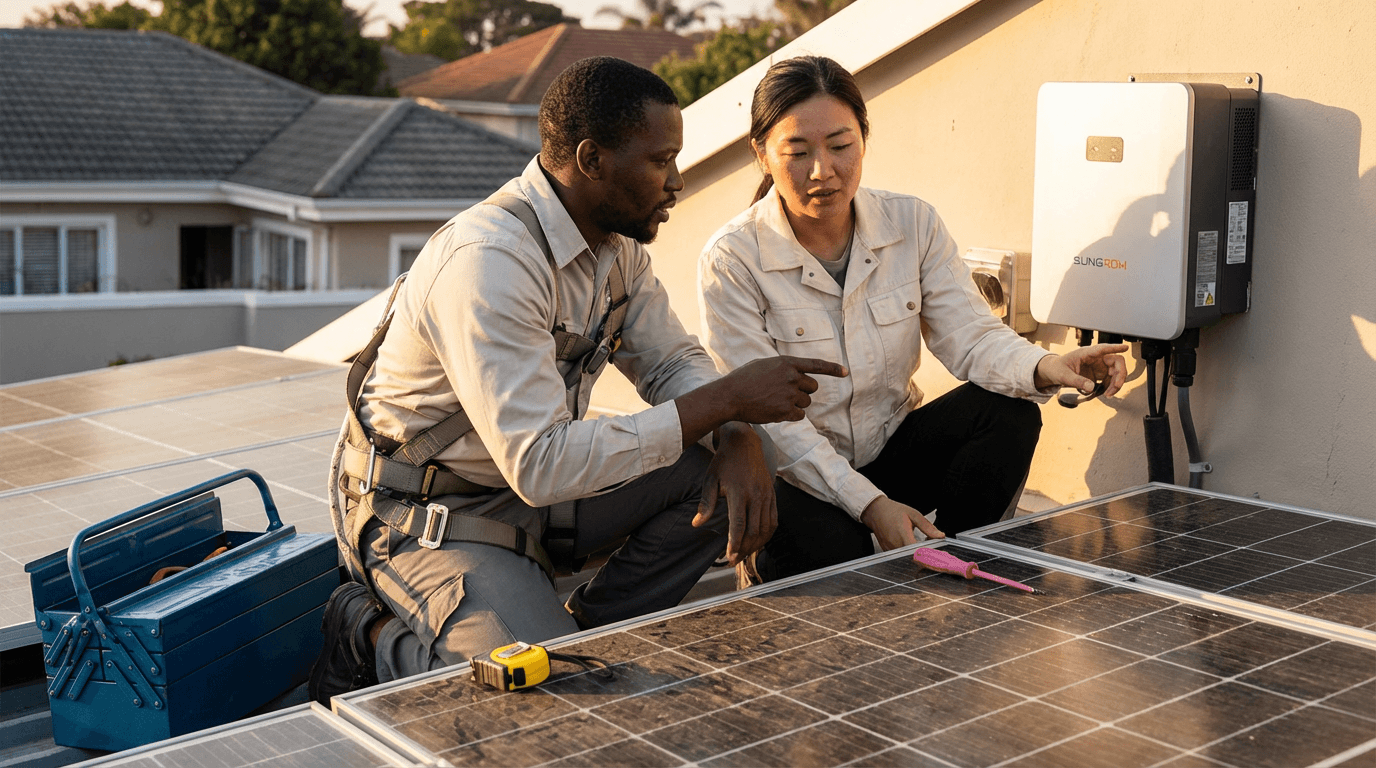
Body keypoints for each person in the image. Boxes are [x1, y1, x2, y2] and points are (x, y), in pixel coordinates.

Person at [309, 56, 845, 703]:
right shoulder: (491, 265)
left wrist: (735, 432)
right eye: (660, 161)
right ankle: (365, 636)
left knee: (720, 483)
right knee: (531, 700)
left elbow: (672, 361)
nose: (675, 182)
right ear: (591, 160)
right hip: (422, 512)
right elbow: (540, 466)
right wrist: (728, 398)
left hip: (520, 490)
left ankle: (589, 641)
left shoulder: (616, 252)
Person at [697, 56, 1127, 586]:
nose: (822, 171)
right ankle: (801, 566)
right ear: (761, 153)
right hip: (800, 479)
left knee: (1007, 413)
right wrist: (872, 506)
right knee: (839, 548)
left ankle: (961, 569)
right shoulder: (731, 260)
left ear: (863, 138)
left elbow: (972, 334)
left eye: (840, 145)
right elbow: (776, 425)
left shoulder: (911, 223)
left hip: (890, 449)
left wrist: (1048, 365)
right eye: (798, 152)